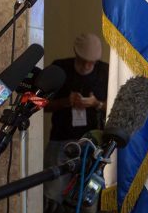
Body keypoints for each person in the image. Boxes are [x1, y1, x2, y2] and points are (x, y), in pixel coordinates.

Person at [43, 32, 109, 203]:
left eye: (91, 62)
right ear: (76, 54)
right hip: (61, 139)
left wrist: (96, 104)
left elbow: (115, 109)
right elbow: (41, 104)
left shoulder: (104, 72)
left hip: (93, 143)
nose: (87, 65)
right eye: (83, 60)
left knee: (87, 197)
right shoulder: (60, 69)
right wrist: (66, 101)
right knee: (53, 193)